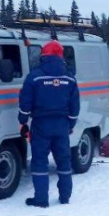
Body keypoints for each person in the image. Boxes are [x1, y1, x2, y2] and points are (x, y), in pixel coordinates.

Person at [18, 41, 80, 207]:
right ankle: (65, 197)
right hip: (62, 125)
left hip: (41, 125)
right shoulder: (69, 77)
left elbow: (25, 103)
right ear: (60, 56)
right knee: (64, 162)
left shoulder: (35, 76)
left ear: (43, 56)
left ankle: (41, 199)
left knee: (39, 162)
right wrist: (71, 124)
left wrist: (22, 122)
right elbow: (75, 106)